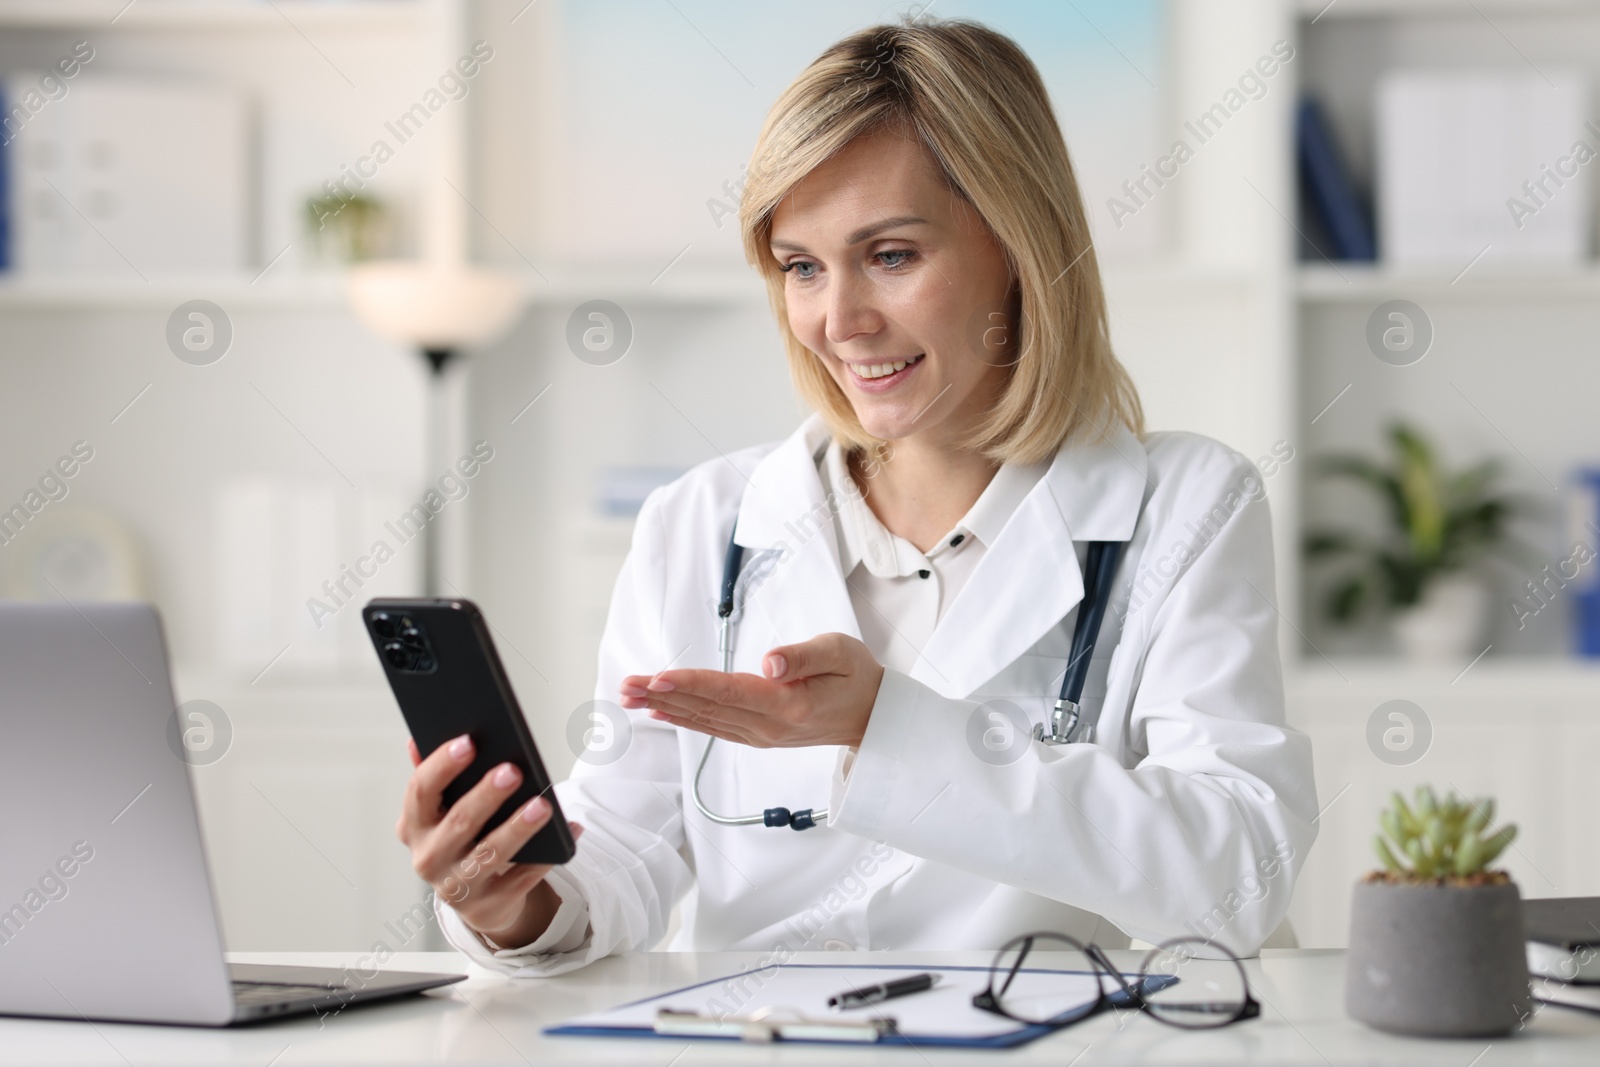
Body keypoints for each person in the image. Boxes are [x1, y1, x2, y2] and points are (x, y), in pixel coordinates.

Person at [396, 17, 1317, 976]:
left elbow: (1240, 879)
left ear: (1018, 245)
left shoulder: (1185, 506)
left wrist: (889, 728)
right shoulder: (703, 523)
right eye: (802, 266)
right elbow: (622, 850)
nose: (839, 322)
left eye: (891, 255)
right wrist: (515, 900)